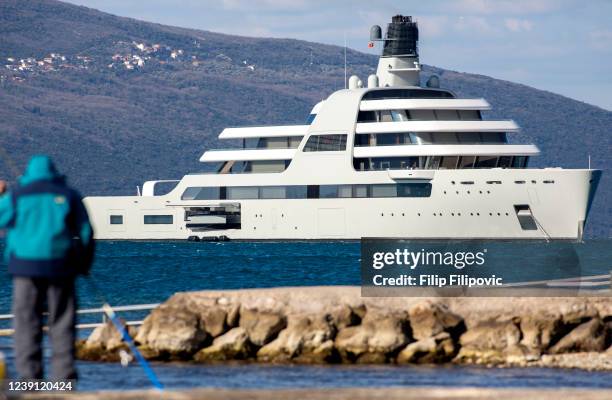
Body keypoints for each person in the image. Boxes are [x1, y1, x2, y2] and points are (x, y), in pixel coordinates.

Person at [0, 155, 94, 381]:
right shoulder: (69, 195)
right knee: (61, 323)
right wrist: (83, 265)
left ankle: (29, 381)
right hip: (61, 267)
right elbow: (86, 233)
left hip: (24, 269)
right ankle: (64, 381)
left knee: (26, 324)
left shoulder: (16, 196)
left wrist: (2, 195)